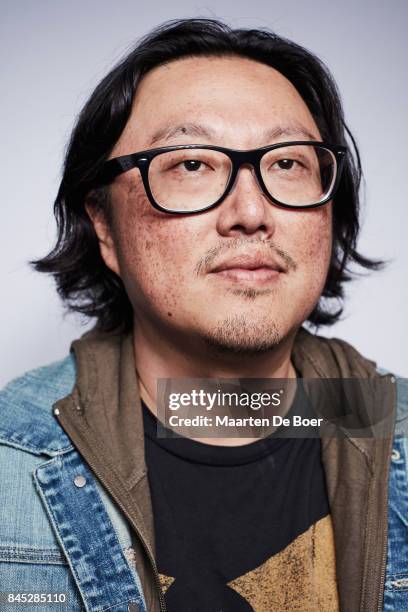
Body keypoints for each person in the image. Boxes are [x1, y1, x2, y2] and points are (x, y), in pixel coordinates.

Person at [0, 18, 406, 612]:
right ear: (105, 226)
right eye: (191, 164)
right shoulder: (12, 460)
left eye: (288, 164)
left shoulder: (391, 431)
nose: (250, 212)